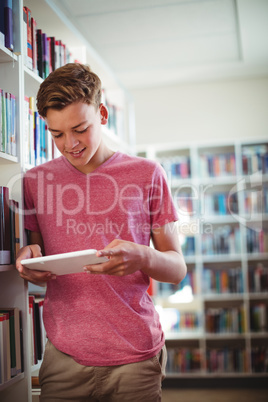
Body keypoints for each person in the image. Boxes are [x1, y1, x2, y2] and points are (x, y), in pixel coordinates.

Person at [16, 63, 187, 402]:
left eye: (80, 129)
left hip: (135, 358)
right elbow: (40, 264)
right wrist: (29, 261)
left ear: (103, 114)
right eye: (57, 134)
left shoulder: (147, 174)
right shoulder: (35, 182)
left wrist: (143, 256)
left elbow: (177, 269)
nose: (70, 144)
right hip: (64, 359)